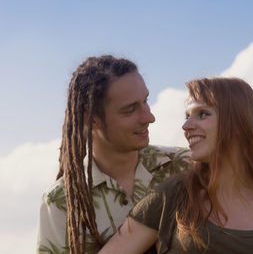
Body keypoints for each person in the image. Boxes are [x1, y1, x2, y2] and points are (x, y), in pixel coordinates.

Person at [99, 77, 253, 254]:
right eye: (187, 116)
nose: (186, 125)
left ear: (239, 123)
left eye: (202, 114)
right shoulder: (172, 197)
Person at [36, 55, 191, 254]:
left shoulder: (187, 165)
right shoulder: (60, 201)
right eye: (130, 110)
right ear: (91, 119)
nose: (149, 117)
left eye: (145, 101)